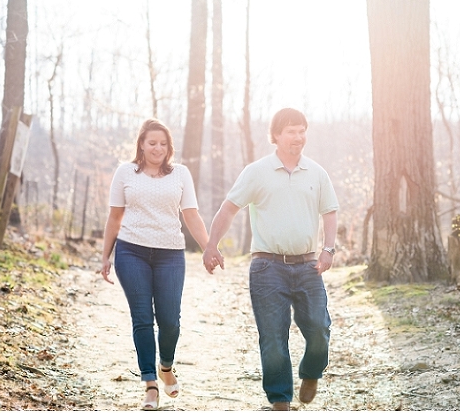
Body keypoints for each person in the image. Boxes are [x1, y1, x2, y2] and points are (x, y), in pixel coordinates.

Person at [202, 107, 339, 411]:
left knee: (319, 329)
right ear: (276, 135)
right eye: (291, 131)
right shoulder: (257, 171)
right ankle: (280, 400)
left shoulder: (317, 173)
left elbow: (330, 212)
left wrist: (328, 249)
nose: (298, 137)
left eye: (302, 131)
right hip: (267, 267)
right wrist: (212, 245)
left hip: (308, 265)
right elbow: (228, 209)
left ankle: (311, 371)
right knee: (273, 338)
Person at [99, 119, 210, 410]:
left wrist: (209, 247)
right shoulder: (125, 172)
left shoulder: (180, 174)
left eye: (163, 143)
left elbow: (191, 215)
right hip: (131, 252)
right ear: (141, 144)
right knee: (142, 318)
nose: (157, 148)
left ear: (169, 147)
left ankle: (166, 366)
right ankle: (149, 383)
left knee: (170, 320)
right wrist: (105, 256)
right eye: (152, 143)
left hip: (170, 254)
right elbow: (115, 217)